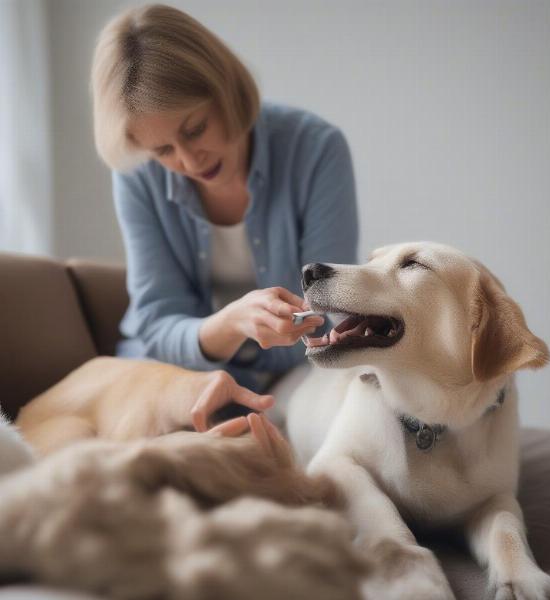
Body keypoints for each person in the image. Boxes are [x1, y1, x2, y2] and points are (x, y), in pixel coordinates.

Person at [90, 4, 358, 433]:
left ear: (226, 88)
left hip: (294, 371)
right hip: (173, 372)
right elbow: (157, 325)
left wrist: (251, 352)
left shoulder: (316, 150)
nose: (188, 160)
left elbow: (327, 308)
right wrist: (233, 324)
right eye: (162, 151)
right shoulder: (139, 178)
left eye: (194, 129)